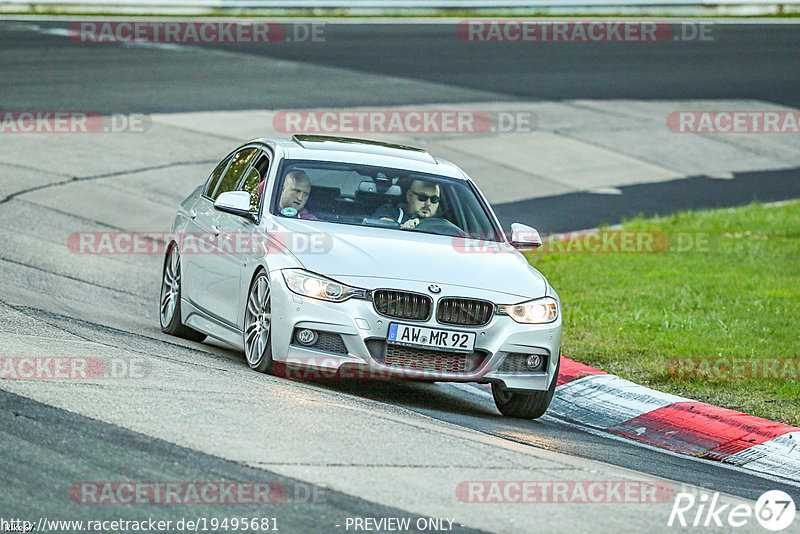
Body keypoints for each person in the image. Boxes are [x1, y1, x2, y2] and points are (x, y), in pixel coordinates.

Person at [372, 179, 440, 229]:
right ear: (409, 196)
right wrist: (403, 228)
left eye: (434, 199)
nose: (428, 203)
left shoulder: (441, 224)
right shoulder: (389, 211)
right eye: (422, 197)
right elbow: (383, 227)